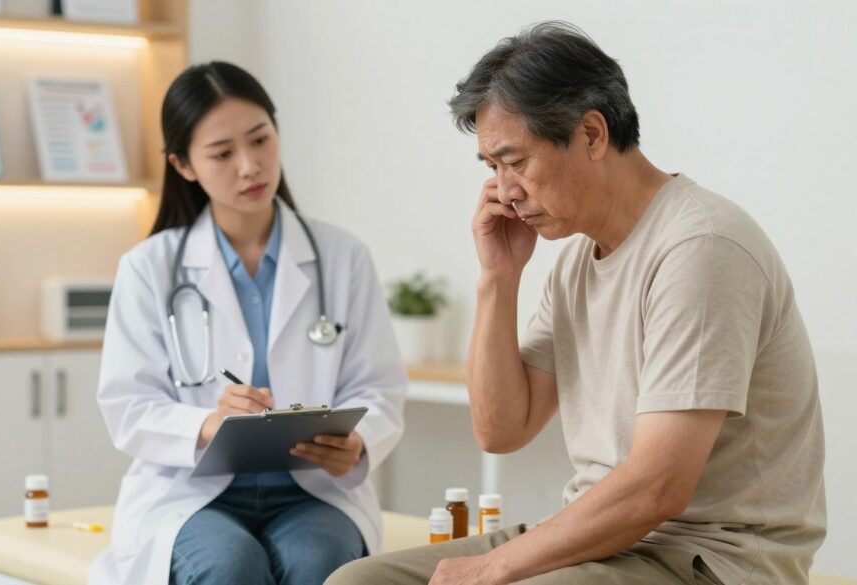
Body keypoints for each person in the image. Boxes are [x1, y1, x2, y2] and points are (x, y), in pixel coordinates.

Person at [328, 21, 825, 585]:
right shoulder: (576, 262)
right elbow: (501, 430)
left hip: (708, 558)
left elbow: (659, 486)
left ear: (591, 134)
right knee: (356, 583)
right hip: (607, 541)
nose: (504, 191)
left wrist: (492, 568)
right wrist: (498, 277)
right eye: (492, 168)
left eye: (516, 162)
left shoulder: (701, 249)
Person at [88, 62, 406, 585]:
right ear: (183, 165)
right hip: (189, 494)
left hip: (313, 491)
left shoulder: (343, 257)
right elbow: (128, 405)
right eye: (222, 153)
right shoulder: (148, 268)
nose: (249, 166)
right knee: (229, 565)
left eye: (260, 140)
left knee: (320, 562)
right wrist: (208, 424)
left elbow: (379, 386)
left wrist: (359, 441)